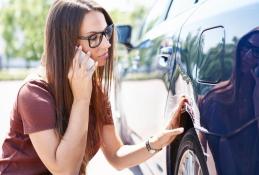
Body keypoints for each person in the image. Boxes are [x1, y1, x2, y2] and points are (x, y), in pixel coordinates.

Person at [0, 0, 187, 174]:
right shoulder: (34, 94)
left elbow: (116, 156)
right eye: (94, 37)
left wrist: (157, 141)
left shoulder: (95, 90)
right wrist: (81, 100)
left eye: (106, 33)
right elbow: (65, 170)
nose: (106, 43)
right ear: (68, 44)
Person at [199, 27, 259, 174]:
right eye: (246, 47)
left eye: (257, 52)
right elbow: (204, 151)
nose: (248, 55)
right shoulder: (217, 98)